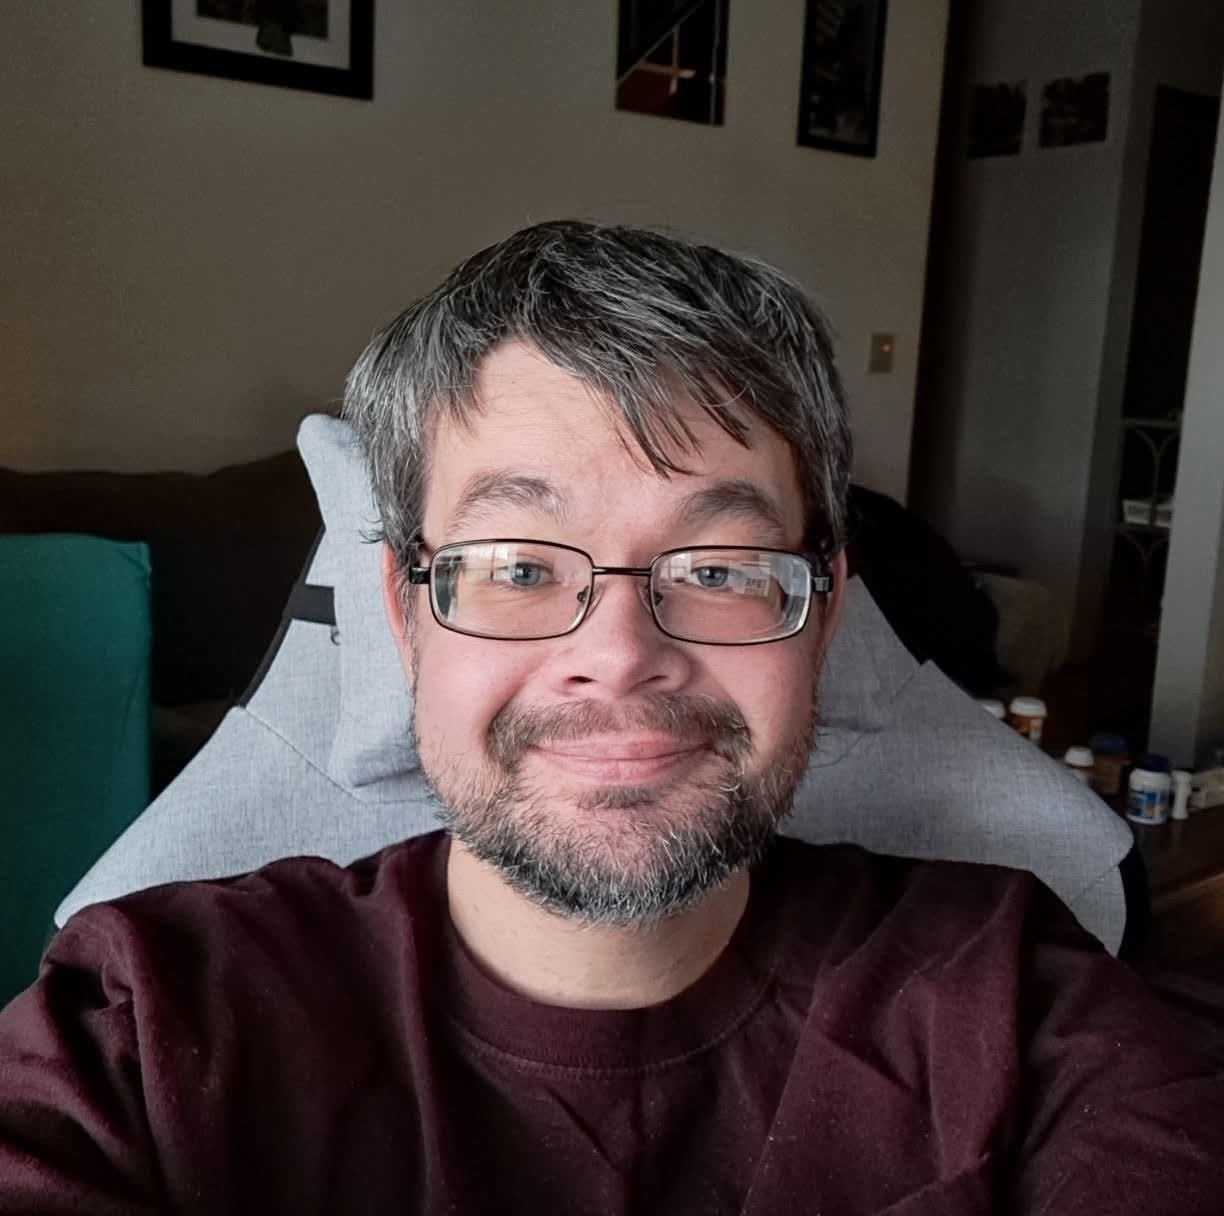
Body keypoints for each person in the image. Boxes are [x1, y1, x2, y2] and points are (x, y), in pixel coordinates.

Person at [0, 220, 1222, 1214]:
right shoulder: (146, 1026)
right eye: (520, 566)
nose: (622, 657)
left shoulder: (1018, 1005)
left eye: (719, 567)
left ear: (824, 615)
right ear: (407, 615)